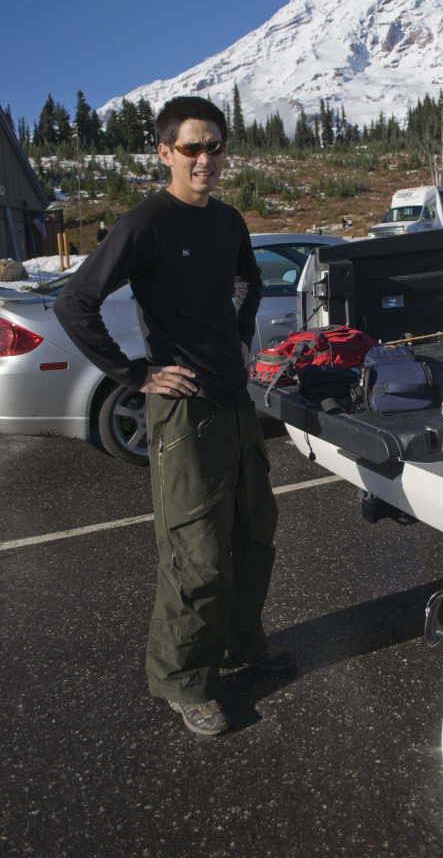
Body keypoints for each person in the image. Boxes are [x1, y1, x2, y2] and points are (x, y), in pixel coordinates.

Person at [54, 96, 294, 737]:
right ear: (165, 152)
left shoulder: (228, 222)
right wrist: (137, 373)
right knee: (196, 555)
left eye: (215, 146)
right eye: (192, 147)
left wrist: (243, 333)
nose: (206, 159)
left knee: (253, 533)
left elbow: (250, 281)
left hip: (236, 405)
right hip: (184, 417)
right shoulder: (146, 224)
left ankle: (243, 643)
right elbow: (75, 303)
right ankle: (184, 681)